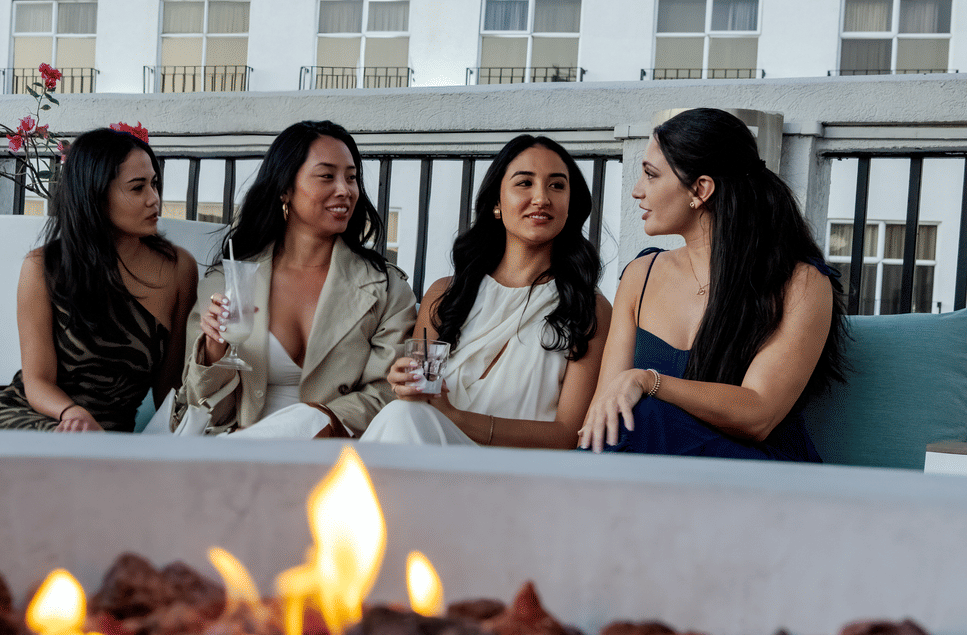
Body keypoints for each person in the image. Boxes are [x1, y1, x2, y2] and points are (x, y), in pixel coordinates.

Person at [578, 107, 846, 459]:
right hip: (652, 473)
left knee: (642, 414)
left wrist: (649, 381)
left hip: (759, 473)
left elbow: (759, 414)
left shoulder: (801, 283)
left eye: (651, 175)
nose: (637, 191)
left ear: (700, 189)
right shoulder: (639, 275)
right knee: (621, 422)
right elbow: (603, 414)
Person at [170, 120, 416, 438]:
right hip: (237, 454)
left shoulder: (386, 288)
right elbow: (201, 414)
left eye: (351, 178)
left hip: (337, 455)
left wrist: (312, 422)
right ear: (286, 188)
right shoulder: (229, 280)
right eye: (327, 176)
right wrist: (215, 351)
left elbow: (388, 395)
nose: (345, 189)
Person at [360, 135, 611, 447]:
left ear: (570, 205)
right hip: (434, 452)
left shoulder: (588, 308)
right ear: (497, 201)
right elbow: (421, 398)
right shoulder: (445, 296)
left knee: (401, 419)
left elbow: (567, 433)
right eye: (524, 183)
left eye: (557, 186)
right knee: (402, 413)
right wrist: (404, 382)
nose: (541, 197)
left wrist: (458, 419)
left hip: (522, 474)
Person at [0, 126, 198, 432]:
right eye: (137, 188)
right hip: (40, 420)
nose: (153, 199)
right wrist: (72, 414)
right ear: (96, 193)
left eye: (154, 184)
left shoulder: (179, 269)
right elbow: (36, 381)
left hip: (107, 437)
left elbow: (168, 388)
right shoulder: (44, 267)